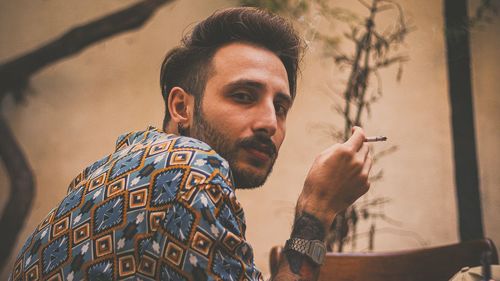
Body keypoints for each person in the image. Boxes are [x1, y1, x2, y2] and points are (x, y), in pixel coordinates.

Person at [9, 7, 372, 281]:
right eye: (244, 95)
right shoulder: (187, 166)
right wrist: (317, 210)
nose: (269, 123)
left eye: (281, 107)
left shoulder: (111, 170)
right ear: (181, 106)